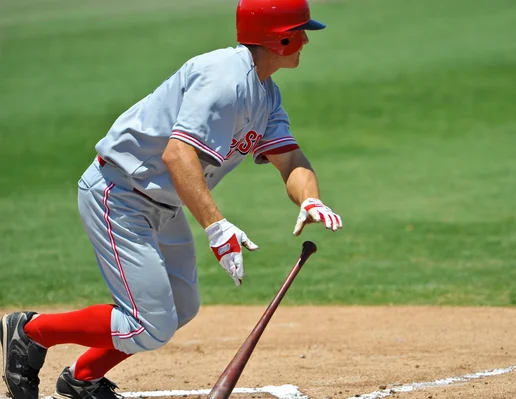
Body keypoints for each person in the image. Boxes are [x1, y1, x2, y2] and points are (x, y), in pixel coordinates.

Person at [0, 1, 342, 399]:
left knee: (180, 307)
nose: (305, 40)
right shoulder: (223, 80)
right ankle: (29, 332)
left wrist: (311, 199)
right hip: (121, 194)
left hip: (163, 202)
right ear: (279, 38)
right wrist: (217, 227)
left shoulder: (265, 93)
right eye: (301, 32)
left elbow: (291, 160)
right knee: (148, 325)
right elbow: (177, 154)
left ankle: (82, 377)